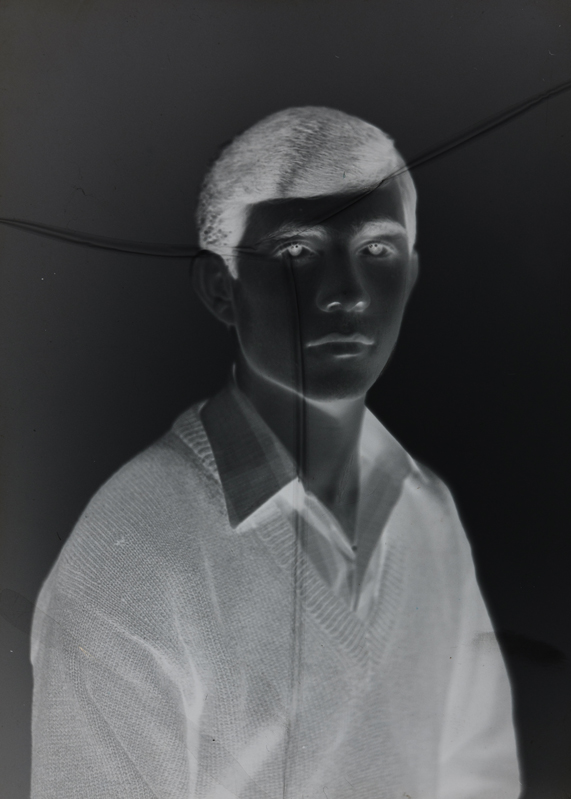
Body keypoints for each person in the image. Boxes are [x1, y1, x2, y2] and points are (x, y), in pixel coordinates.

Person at [30, 106, 521, 798]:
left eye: (376, 249)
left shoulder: (428, 511)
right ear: (220, 289)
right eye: (295, 252)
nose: (346, 292)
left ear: (410, 273)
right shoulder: (130, 551)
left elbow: (482, 779)